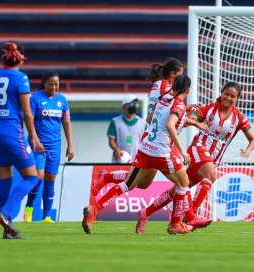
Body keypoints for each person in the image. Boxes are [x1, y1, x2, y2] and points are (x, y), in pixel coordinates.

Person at [82, 75, 212, 235]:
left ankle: (94, 210)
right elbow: (170, 125)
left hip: (145, 149)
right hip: (161, 152)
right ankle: (177, 223)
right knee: (183, 182)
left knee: (129, 185)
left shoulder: (165, 98)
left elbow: (151, 118)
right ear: (188, 90)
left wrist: (191, 120)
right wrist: (182, 150)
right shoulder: (179, 105)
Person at [135, 81, 254, 234]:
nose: (228, 98)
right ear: (221, 92)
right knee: (211, 175)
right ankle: (192, 214)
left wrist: (248, 150)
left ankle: (146, 213)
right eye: (226, 94)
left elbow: (253, 139)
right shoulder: (209, 108)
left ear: (238, 98)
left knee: (178, 189)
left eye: (233, 96)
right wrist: (191, 117)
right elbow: (186, 120)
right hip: (198, 149)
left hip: (211, 160)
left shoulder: (239, 117)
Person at [0, 41, 40, 239]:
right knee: (32, 177)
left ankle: (6, 229)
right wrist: (33, 135)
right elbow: (27, 112)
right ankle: (5, 213)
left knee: (5, 180)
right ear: (21, 59)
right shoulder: (21, 78)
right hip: (11, 132)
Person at [23, 70, 74, 223]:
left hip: (55, 146)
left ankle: (47, 216)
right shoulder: (35, 98)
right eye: (51, 84)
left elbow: (66, 123)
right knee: (38, 177)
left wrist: (70, 145)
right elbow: (29, 121)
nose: (54, 87)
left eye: (56, 84)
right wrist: (35, 140)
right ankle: (29, 206)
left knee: (50, 179)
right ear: (44, 83)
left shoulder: (62, 100)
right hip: (37, 145)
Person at [107, 94, 146, 162]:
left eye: (135, 103)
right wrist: (116, 149)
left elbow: (146, 142)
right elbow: (111, 141)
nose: (133, 105)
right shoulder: (115, 122)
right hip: (120, 159)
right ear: (124, 105)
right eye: (131, 103)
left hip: (137, 162)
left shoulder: (143, 123)